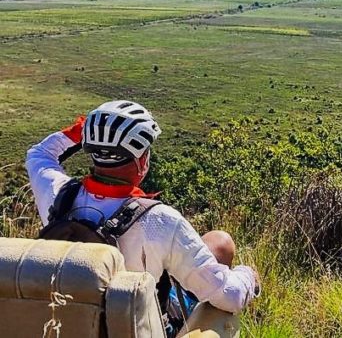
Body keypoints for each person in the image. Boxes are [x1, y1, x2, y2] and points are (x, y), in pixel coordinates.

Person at [26, 100, 258, 332]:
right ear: (141, 160)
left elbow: (39, 153)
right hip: (139, 327)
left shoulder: (57, 195)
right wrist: (248, 276)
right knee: (221, 248)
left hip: (69, 323)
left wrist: (86, 129)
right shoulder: (160, 221)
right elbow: (230, 296)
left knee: (218, 242)